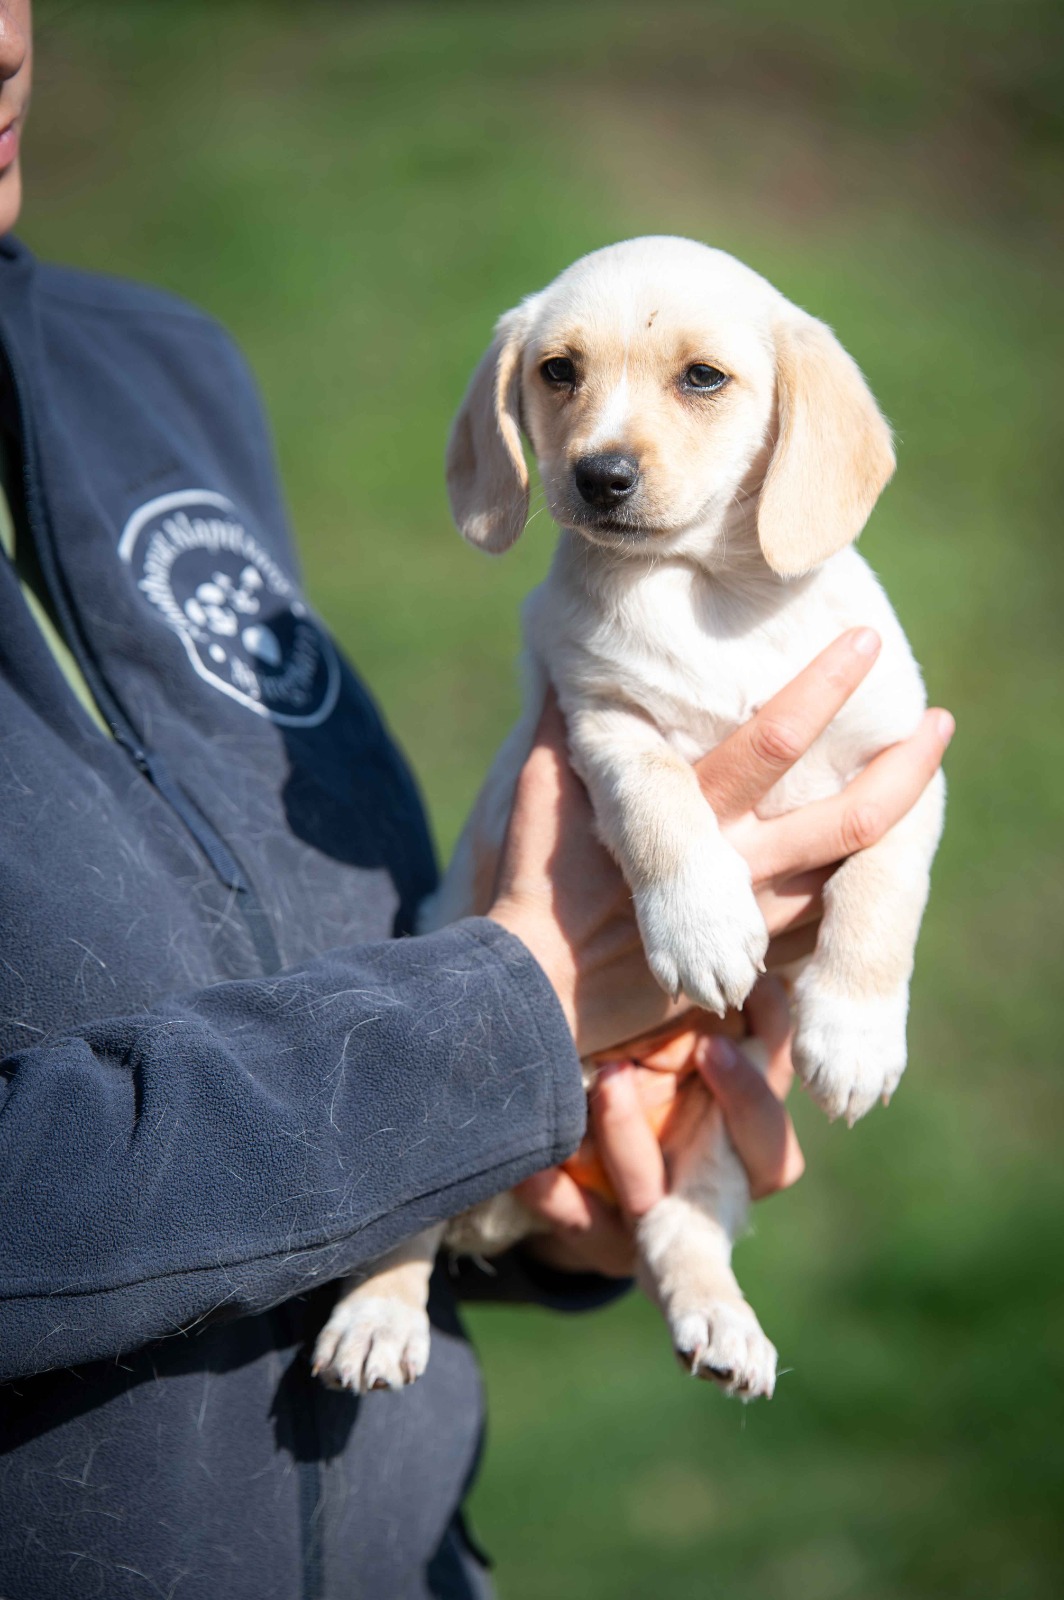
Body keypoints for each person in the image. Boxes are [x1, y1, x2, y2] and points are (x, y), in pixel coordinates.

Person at [0, 6, 953, 1597]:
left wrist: (579, 1187)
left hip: (422, 1540)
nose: (608, 444)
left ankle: (682, 1255)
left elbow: (899, 786)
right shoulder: (586, 610)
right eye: (566, 378)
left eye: (697, 382)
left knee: (699, 1166)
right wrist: (516, 1013)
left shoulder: (155, 370)